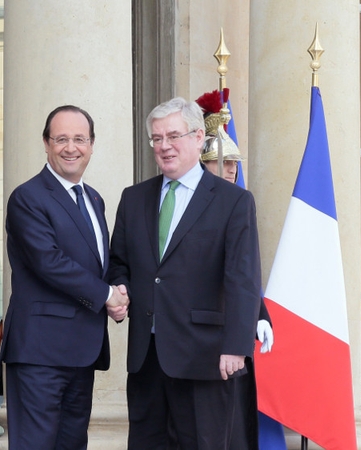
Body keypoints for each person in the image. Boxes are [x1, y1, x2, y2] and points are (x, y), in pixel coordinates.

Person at [109, 97, 262, 449]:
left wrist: (237, 346)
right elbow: (120, 262)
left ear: (198, 138)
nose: (164, 146)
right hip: (146, 359)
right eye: (157, 138)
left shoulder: (233, 201)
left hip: (205, 358)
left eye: (173, 136)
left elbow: (243, 277)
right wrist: (119, 289)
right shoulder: (133, 199)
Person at [1, 105, 129, 449]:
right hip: (39, 353)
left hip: (81, 351)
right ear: (46, 143)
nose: (71, 147)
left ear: (91, 144)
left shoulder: (94, 199)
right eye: (61, 139)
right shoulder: (28, 197)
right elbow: (49, 262)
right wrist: (105, 296)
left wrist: (119, 290)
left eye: (79, 139)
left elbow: (102, 262)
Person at [199, 114, 275, 449]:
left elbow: (244, 271)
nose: (232, 170)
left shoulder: (239, 203)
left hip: (235, 334)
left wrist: (259, 314)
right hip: (201, 335)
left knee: (237, 429)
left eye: (233, 163)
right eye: (224, 162)